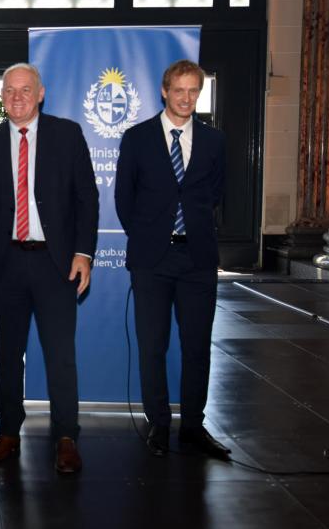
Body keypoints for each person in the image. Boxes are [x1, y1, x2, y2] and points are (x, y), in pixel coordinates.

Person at [0, 63, 98, 473]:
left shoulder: (67, 134)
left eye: (25, 90)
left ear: (41, 93)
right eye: (9, 91)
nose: (17, 97)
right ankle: (8, 432)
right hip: (6, 264)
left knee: (61, 355)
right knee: (8, 355)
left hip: (56, 264)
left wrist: (83, 253)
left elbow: (86, 200)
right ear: (1, 97)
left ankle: (65, 436)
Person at [114, 59, 231, 460]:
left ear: (200, 93)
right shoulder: (137, 138)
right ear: (164, 91)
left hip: (197, 258)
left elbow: (213, 195)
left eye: (193, 91)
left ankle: (194, 427)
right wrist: (151, 236)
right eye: (178, 90)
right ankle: (159, 423)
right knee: (153, 346)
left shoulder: (214, 141)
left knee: (197, 346)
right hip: (152, 260)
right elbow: (124, 200)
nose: (185, 98)